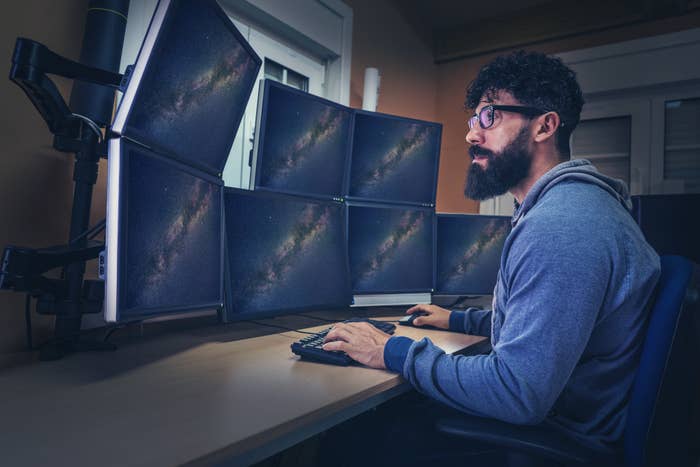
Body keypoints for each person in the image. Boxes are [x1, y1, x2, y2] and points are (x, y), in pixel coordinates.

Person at [323, 50, 660, 458]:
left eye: (491, 117)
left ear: (545, 126)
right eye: (474, 120)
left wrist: (388, 350)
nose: (471, 135)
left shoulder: (563, 226)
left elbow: (517, 392)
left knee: (360, 433)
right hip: (561, 418)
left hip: (556, 439)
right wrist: (461, 319)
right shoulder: (572, 209)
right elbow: (546, 322)